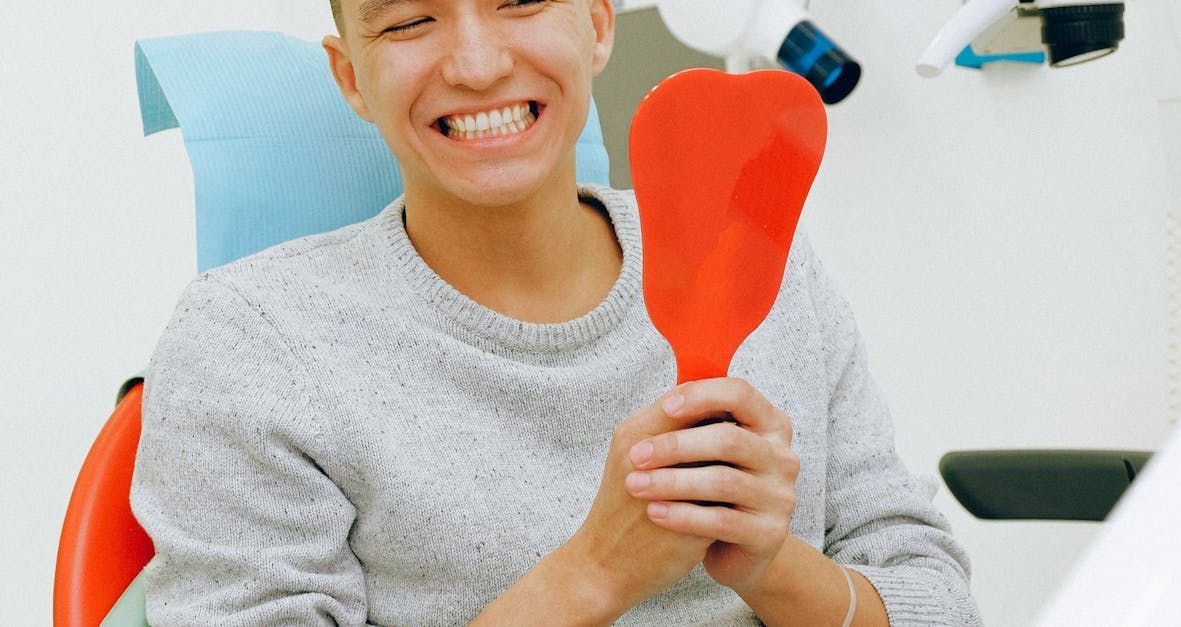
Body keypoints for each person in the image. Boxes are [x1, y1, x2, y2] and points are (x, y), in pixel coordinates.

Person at [130, 0, 982, 624]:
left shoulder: (765, 269)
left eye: (521, 2)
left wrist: (773, 567)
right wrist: (593, 574)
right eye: (410, 22)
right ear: (351, 76)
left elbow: (938, 599)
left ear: (599, 24)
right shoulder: (251, 343)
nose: (476, 65)